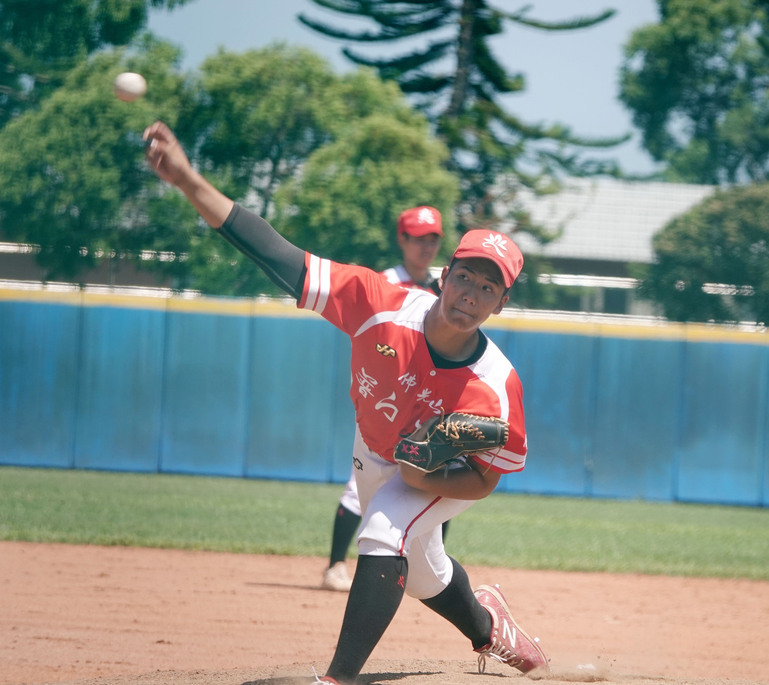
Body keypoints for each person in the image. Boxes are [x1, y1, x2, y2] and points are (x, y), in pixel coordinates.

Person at [143, 120, 549, 684]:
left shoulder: (495, 384)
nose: (471, 294)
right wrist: (188, 180)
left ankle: (336, 679)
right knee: (425, 570)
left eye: (488, 288)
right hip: (373, 449)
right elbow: (276, 253)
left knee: (385, 531)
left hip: (436, 476)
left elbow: (484, 481)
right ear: (442, 277)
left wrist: (425, 478)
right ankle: (490, 628)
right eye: (466, 277)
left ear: (501, 304)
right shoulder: (378, 303)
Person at [322, 205, 449, 593]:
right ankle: (334, 567)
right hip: (384, 396)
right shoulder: (386, 282)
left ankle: (426, 572)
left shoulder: (442, 288)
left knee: (439, 481)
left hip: (424, 401)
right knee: (359, 484)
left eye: (433, 239)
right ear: (403, 240)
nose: (427, 246)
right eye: (419, 238)